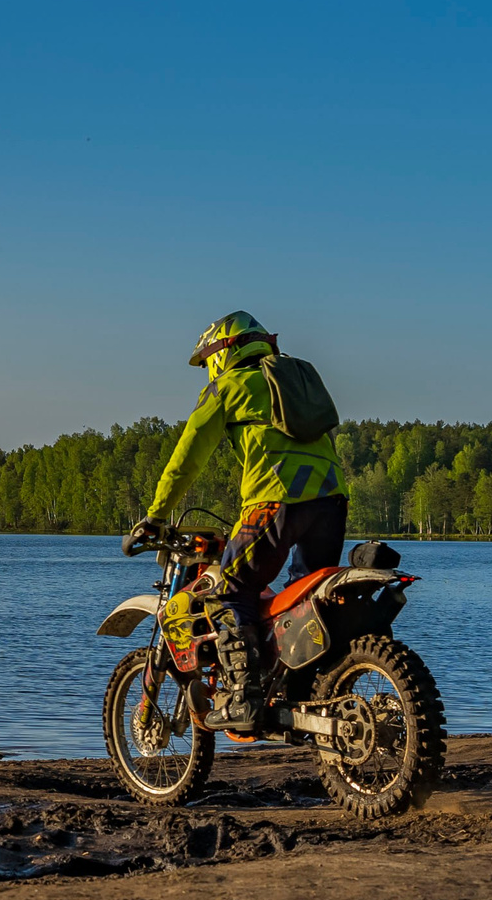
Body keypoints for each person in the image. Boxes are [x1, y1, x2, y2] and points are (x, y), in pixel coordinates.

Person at [130, 311, 347, 731]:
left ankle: (243, 697)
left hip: (274, 501)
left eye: (207, 358)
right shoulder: (293, 380)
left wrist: (155, 515)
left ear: (222, 352)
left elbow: (187, 456)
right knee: (304, 603)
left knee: (230, 588)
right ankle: (303, 692)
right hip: (332, 501)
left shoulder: (228, 386)